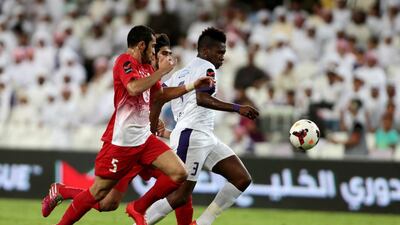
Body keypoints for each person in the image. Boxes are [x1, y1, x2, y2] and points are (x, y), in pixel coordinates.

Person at [42, 26, 213, 225]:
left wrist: (192, 86)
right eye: (154, 47)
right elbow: (132, 88)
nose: (154, 51)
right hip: (122, 143)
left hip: (145, 140)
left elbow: (160, 95)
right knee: (103, 198)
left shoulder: (148, 68)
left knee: (179, 174)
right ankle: (63, 194)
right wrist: (161, 72)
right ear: (142, 45)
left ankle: (139, 207)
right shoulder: (124, 61)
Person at [144, 27, 259, 225]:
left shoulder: (180, 74)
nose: (222, 57)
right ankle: (140, 221)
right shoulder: (207, 67)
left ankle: (202, 223)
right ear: (205, 51)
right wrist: (237, 108)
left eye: (224, 52)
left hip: (202, 135)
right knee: (180, 195)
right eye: (219, 52)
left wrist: (159, 127)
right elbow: (201, 98)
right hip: (193, 135)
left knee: (241, 178)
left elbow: (157, 98)